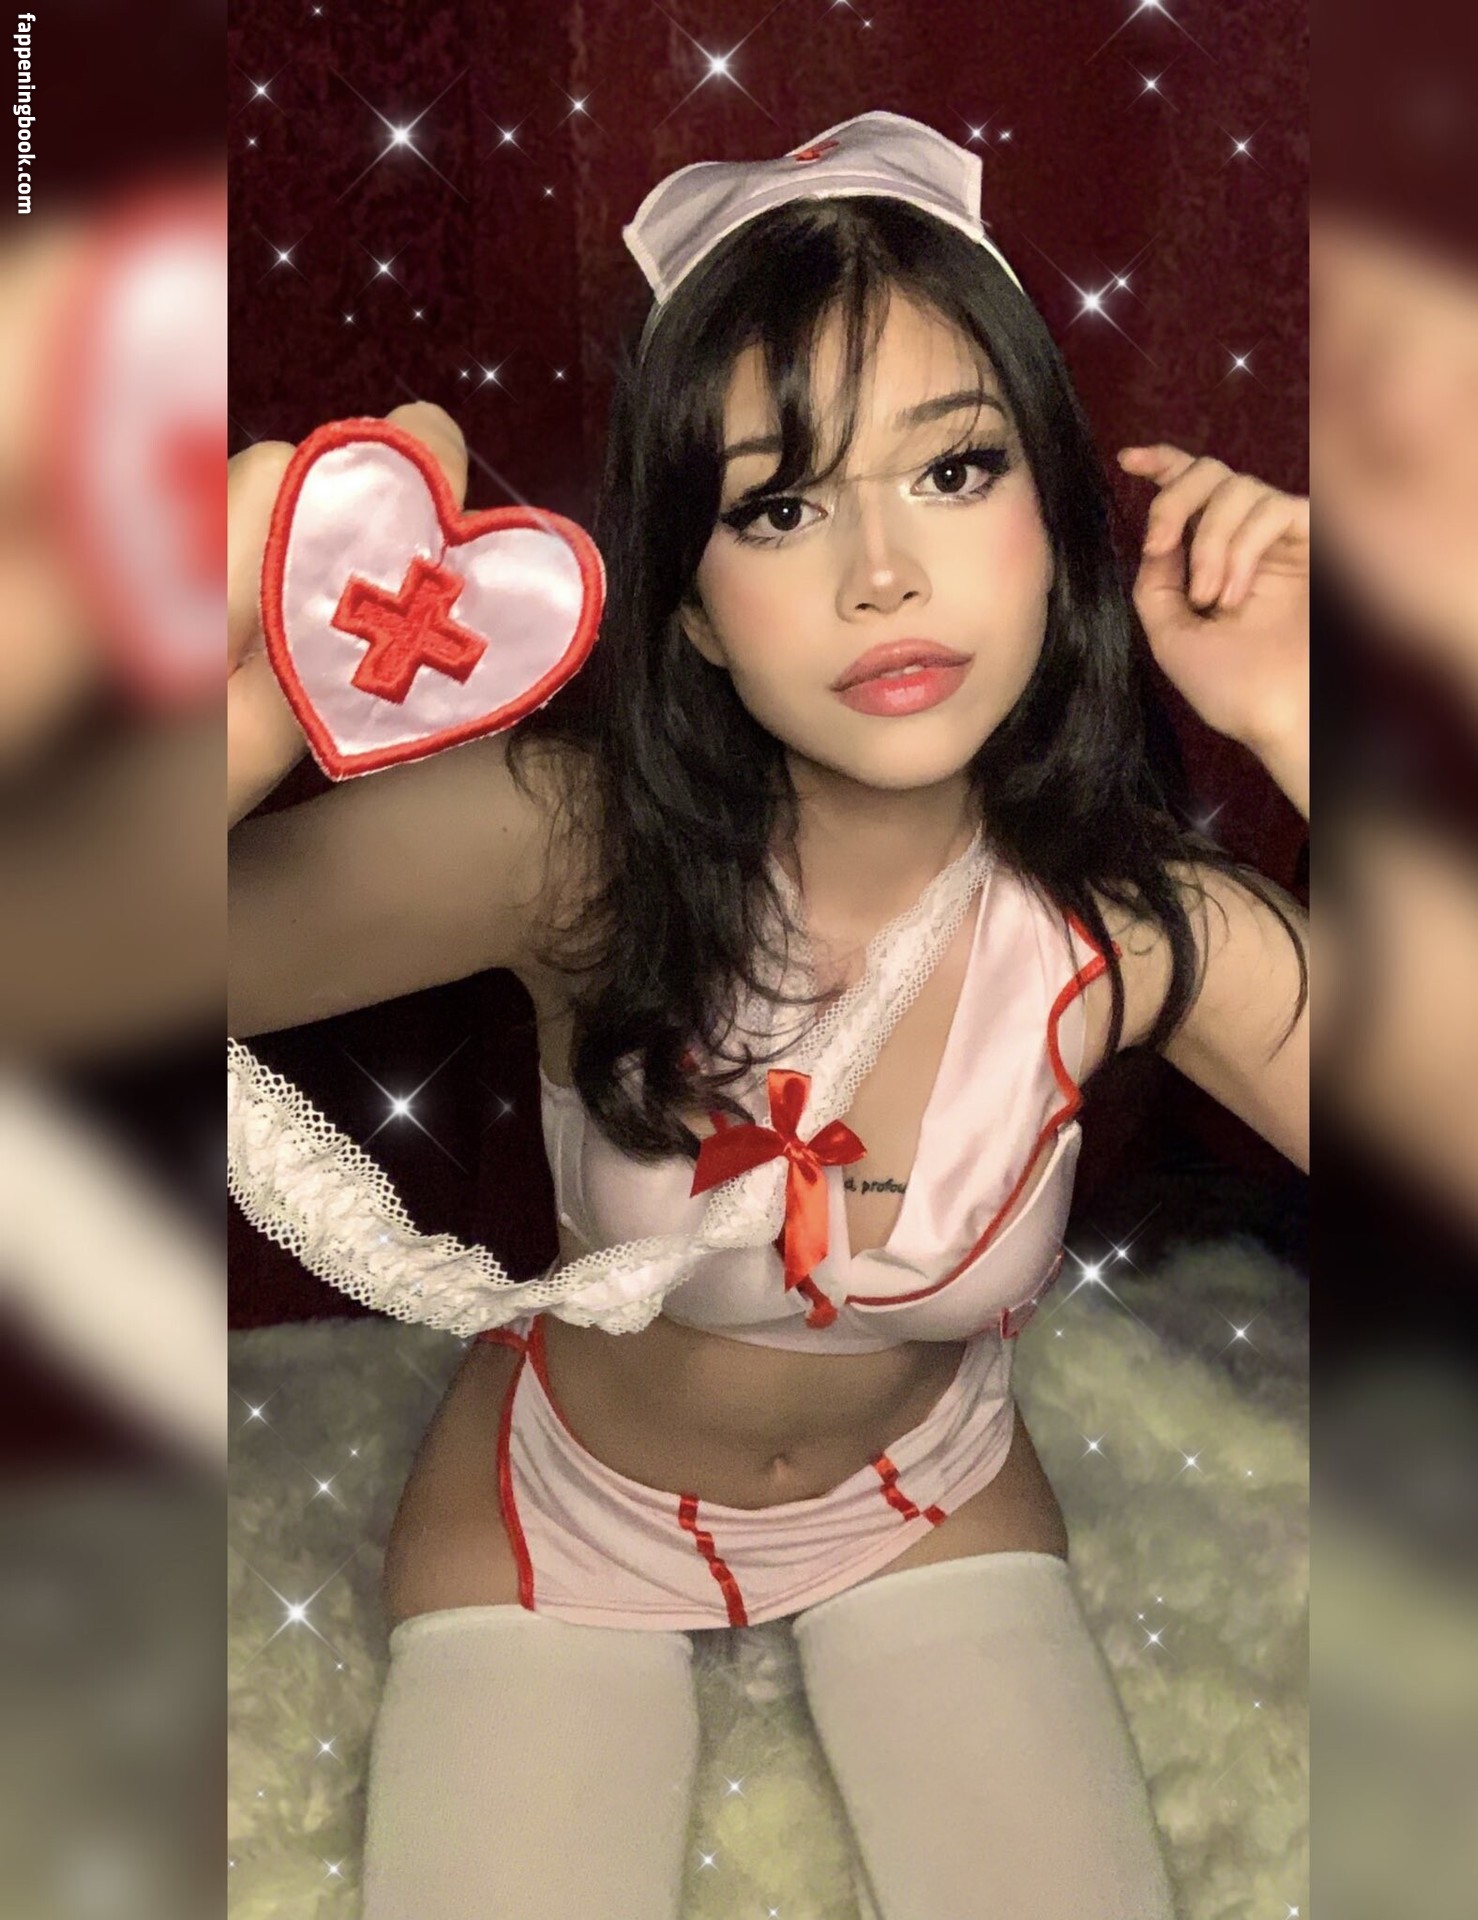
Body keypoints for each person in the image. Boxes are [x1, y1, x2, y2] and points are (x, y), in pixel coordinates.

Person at [228, 113, 1308, 1920]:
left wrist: (1327, 724)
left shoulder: (1132, 926)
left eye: (955, 469)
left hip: (928, 1496)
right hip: (560, 1511)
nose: (881, 571)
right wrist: (236, 713)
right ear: (694, 610)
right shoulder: (569, 845)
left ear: (1057, 523)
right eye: (779, 505)